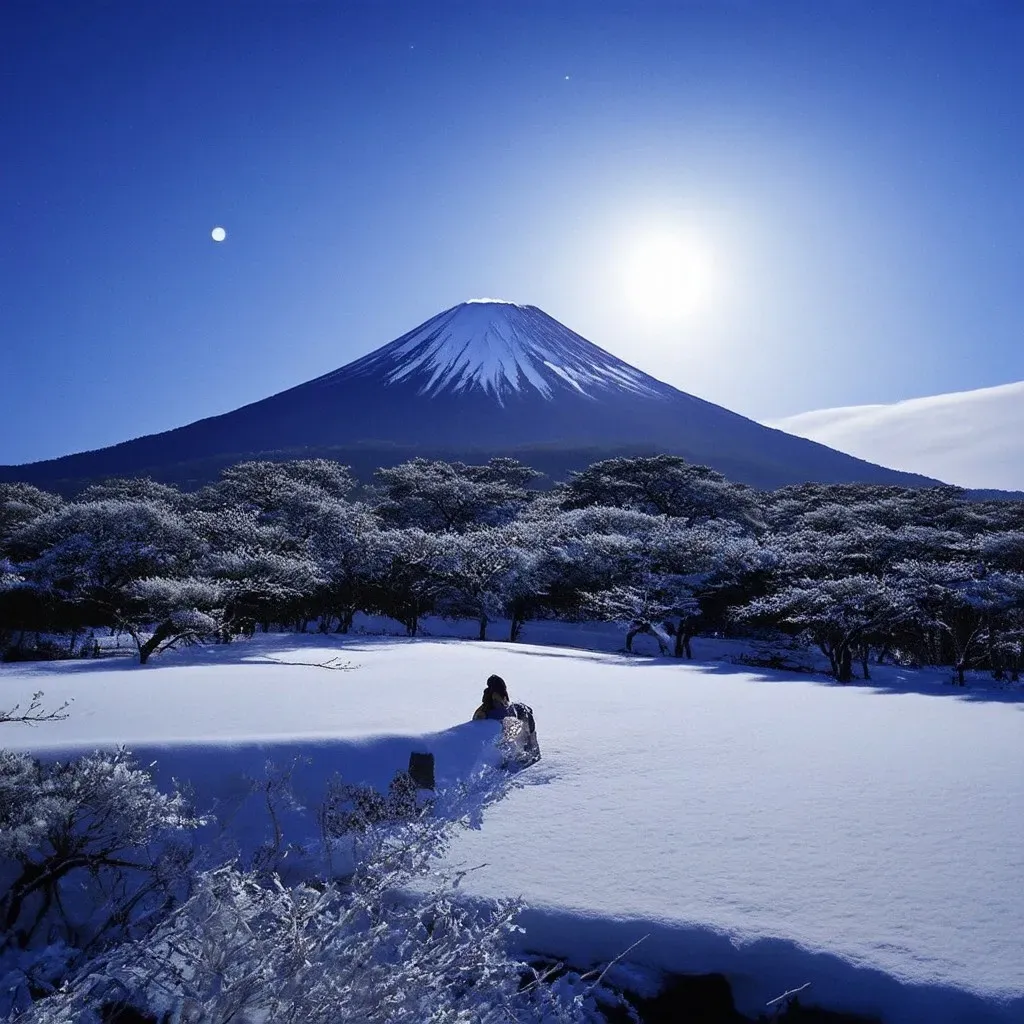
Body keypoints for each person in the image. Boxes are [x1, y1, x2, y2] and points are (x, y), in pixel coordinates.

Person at [473, 674, 541, 764]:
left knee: (525, 714)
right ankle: (530, 752)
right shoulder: (494, 702)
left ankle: (529, 751)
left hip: (502, 721)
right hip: (501, 723)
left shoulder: (489, 704)